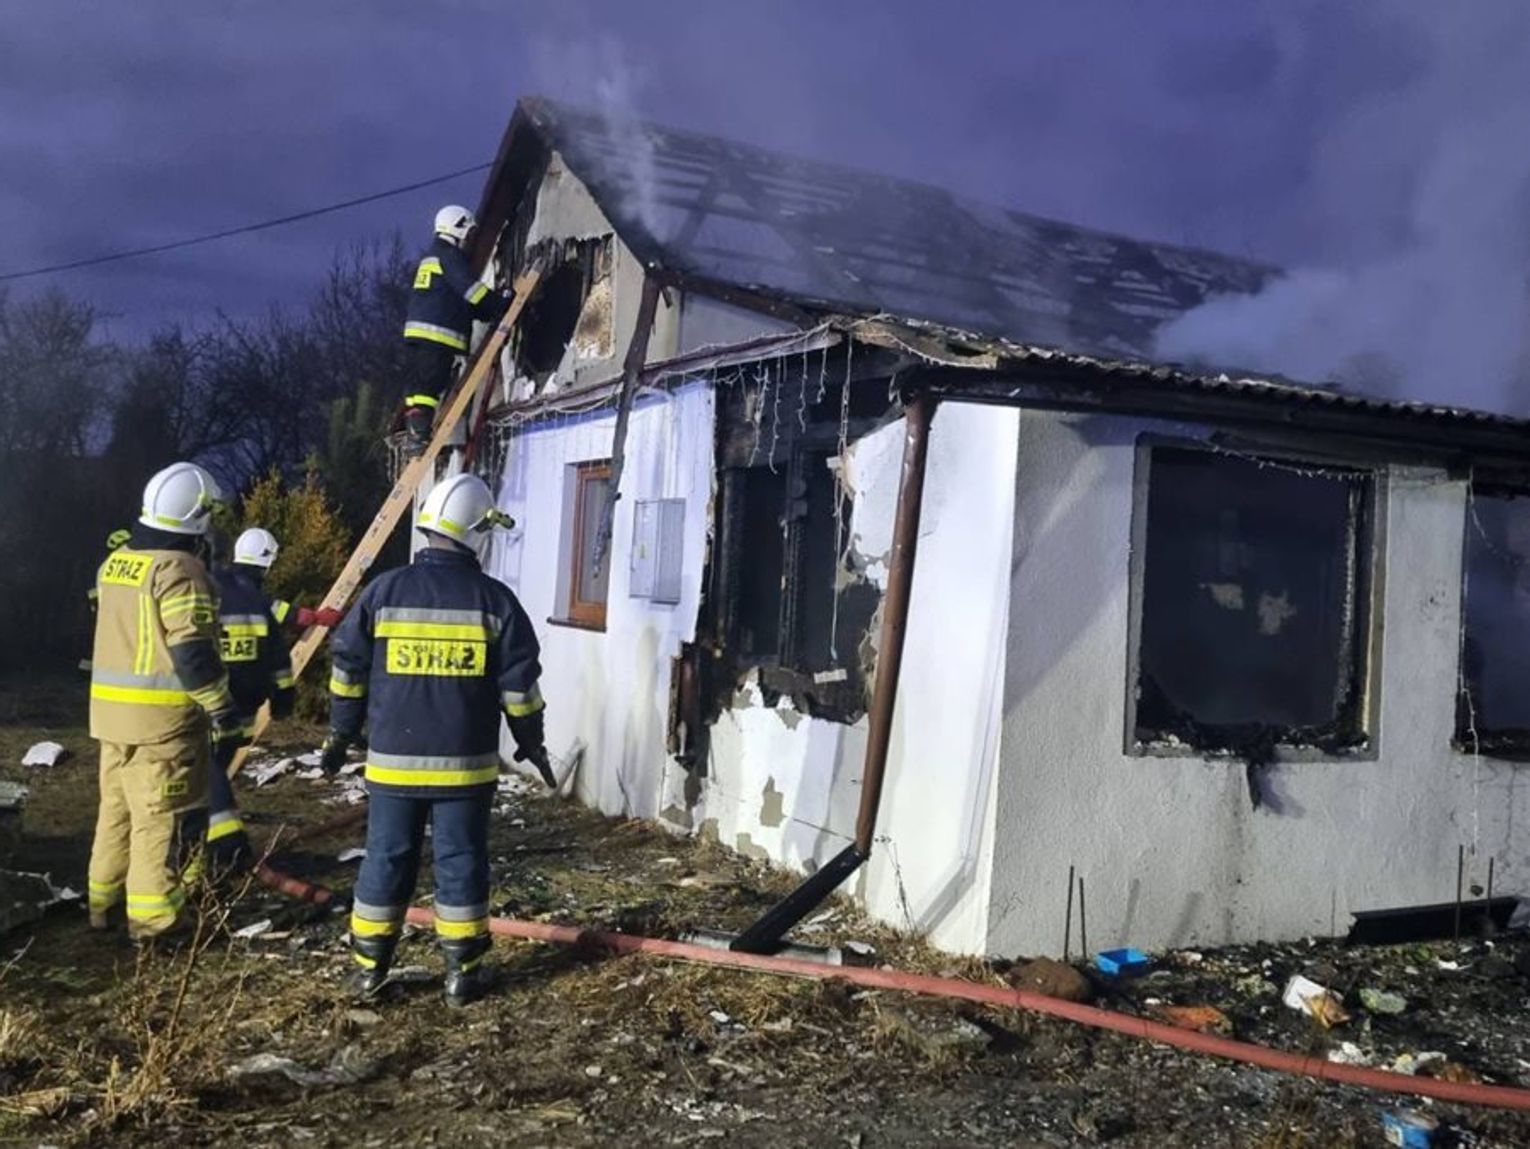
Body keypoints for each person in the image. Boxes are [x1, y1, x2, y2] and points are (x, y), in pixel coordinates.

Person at [321, 473, 548, 1005]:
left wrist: (341, 731)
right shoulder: (496, 601)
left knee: (385, 859)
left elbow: (348, 668)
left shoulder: (383, 592)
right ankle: (461, 974)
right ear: (478, 532)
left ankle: (368, 969)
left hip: (393, 766)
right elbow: (520, 688)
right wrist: (530, 739)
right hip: (465, 770)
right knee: (461, 861)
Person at [87, 462, 239, 942]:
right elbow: (191, 653)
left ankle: (103, 904)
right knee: (160, 823)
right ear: (198, 515)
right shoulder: (179, 570)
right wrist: (222, 709)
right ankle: (157, 924)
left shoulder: (116, 563)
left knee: (116, 813)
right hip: (163, 725)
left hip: (111, 718)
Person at [204, 527, 299, 870]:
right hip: (244, 707)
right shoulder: (257, 601)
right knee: (214, 768)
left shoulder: (207, 590)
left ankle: (221, 841)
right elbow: (278, 657)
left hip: (209, 704)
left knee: (206, 769)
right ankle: (219, 841)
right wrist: (283, 696)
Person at [398, 205, 512, 454]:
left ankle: (416, 435)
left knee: (418, 387)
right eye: (468, 232)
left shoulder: (431, 257)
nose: (469, 239)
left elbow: (454, 301)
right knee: (430, 385)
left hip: (418, 336)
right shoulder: (450, 256)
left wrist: (484, 312)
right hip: (437, 336)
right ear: (457, 228)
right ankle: (420, 435)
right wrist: (499, 303)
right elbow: (472, 291)